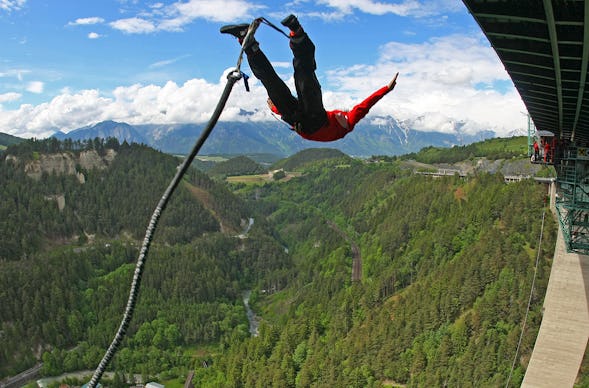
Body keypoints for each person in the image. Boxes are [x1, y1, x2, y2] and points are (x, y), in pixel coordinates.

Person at [220, 14, 398, 142]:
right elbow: (364, 106)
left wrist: (277, 109)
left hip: (305, 122)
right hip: (308, 119)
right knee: (305, 79)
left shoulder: (347, 122)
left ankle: (249, 45)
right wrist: (386, 89)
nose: (343, 118)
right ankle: (296, 34)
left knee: (273, 85)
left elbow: (364, 106)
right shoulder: (340, 117)